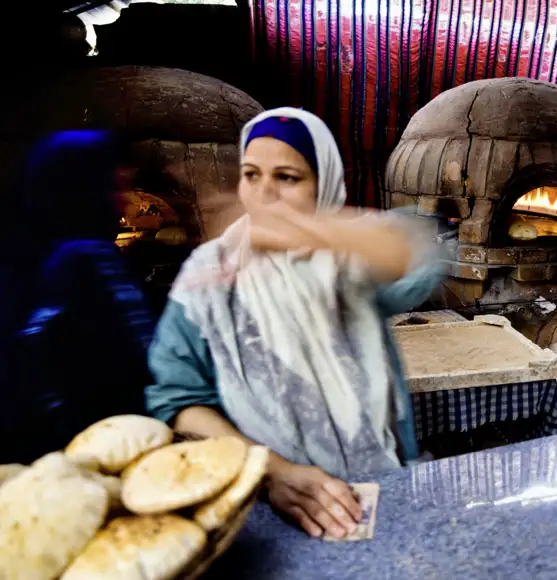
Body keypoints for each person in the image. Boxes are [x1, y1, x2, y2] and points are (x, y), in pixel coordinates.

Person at [145, 108, 443, 539]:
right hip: (262, 507)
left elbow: (416, 255)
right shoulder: (208, 277)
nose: (263, 194)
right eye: (251, 174)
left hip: (376, 486)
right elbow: (179, 399)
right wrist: (274, 473)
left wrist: (311, 234)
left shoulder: (347, 258)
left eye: (287, 177)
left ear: (323, 188)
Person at [0, 130, 155, 464]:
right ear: (85, 191)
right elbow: (150, 360)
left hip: (29, 460)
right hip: (101, 453)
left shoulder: (20, 255)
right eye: (116, 187)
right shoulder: (90, 259)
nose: (126, 201)